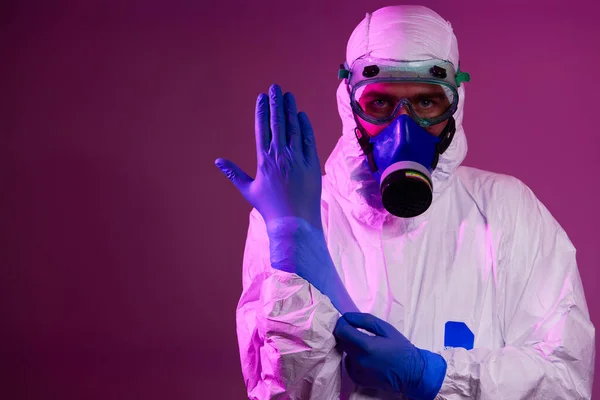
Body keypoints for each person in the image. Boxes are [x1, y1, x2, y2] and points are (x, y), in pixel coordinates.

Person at [215, 5, 595, 399]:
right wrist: (290, 237)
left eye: (427, 103)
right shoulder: (300, 217)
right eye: (380, 103)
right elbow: (284, 394)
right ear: (350, 104)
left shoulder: (506, 211)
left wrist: (431, 376)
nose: (404, 127)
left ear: (455, 106)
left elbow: (566, 381)